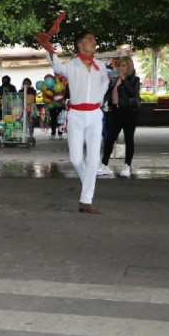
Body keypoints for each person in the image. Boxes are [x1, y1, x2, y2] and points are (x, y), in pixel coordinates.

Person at [39, 31, 110, 213]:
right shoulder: (72, 65)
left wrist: (100, 99)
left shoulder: (100, 66)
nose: (94, 42)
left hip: (94, 114)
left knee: (94, 158)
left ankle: (86, 200)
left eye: (93, 39)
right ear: (80, 45)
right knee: (75, 159)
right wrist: (49, 49)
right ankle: (87, 188)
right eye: (89, 39)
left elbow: (105, 82)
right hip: (77, 115)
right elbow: (57, 68)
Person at [99, 56, 141, 178]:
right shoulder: (115, 79)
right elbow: (107, 94)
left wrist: (124, 80)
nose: (121, 68)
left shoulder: (134, 79)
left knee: (129, 139)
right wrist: (108, 82)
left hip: (129, 111)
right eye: (119, 65)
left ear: (129, 67)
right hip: (115, 111)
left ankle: (127, 165)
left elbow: (132, 92)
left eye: (124, 66)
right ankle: (104, 164)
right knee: (109, 138)